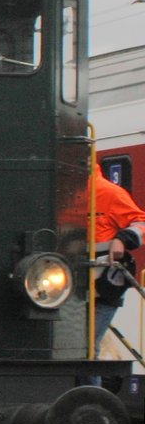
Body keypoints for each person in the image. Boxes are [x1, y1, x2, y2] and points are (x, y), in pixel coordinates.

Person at [80, 165, 145, 386]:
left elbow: (141, 222)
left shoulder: (108, 192)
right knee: (76, 350)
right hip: (67, 289)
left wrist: (123, 239)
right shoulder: (59, 193)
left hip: (103, 286)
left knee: (86, 349)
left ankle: (89, 404)